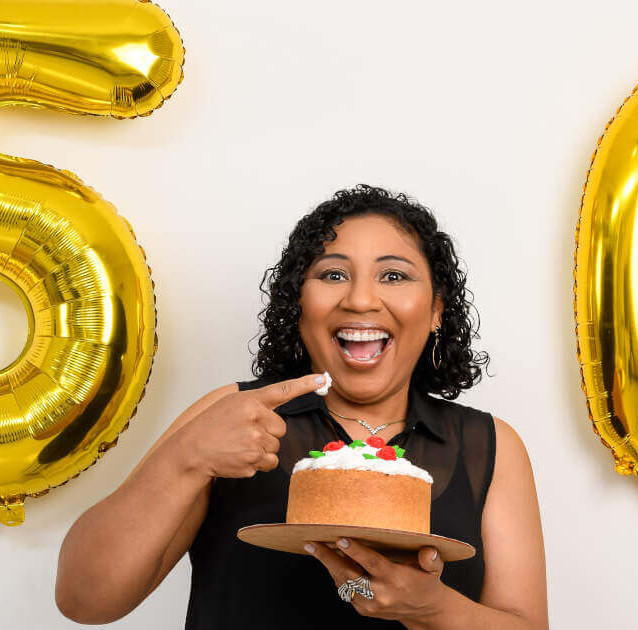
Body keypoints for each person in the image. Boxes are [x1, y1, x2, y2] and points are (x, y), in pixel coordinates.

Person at [55, 185, 547, 629]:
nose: (360, 299)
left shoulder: (491, 446)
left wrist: (435, 609)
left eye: (393, 275)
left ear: (437, 309)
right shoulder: (233, 414)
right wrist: (185, 458)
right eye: (333, 274)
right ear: (299, 303)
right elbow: (84, 600)